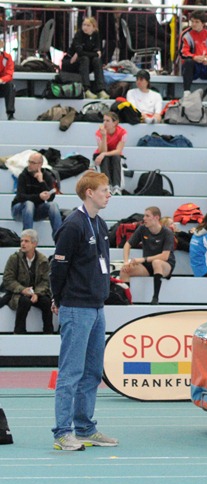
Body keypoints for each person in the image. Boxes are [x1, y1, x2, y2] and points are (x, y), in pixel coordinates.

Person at [50, 170, 117, 451]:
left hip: (97, 307)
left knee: (92, 373)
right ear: (89, 192)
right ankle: (63, 432)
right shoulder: (73, 225)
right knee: (71, 373)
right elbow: (58, 268)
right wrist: (58, 298)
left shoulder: (99, 224)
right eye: (104, 190)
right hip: (76, 308)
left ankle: (85, 427)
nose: (109, 194)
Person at [118, 206, 174, 305]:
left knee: (157, 263)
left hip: (165, 264)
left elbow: (165, 256)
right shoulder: (142, 228)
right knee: (125, 270)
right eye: (144, 216)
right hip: (147, 265)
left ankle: (155, 298)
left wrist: (143, 259)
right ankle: (126, 300)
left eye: (147, 216)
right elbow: (127, 245)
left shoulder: (167, 232)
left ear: (156, 218)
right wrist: (126, 262)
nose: (144, 218)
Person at [3, 229, 53, 334]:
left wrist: (37, 293)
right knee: (24, 301)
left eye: (26, 241)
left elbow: (45, 281)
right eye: (22, 241)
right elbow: (8, 279)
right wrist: (23, 290)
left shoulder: (43, 260)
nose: (22, 244)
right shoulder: (14, 258)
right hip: (17, 294)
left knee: (47, 301)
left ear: (34, 244)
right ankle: (19, 331)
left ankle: (48, 332)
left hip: (36, 293)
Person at [11, 152, 62, 232]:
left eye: (32, 162)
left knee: (53, 205)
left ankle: (59, 236)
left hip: (36, 210)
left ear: (40, 164)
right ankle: (28, 235)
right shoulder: (23, 175)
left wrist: (41, 182)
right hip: (19, 210)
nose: (29, 164)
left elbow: (51, 198)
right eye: (29, 161)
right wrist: (39, 197)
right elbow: (20, 197)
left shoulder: (46, 176)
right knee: (29, 204)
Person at [180, 12, 207, 101]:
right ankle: (186, 92)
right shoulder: (186, 35)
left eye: (197, 22)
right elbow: (183, 53)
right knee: (188, 62)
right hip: (193, 68)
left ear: (203, 23)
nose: (193, 24)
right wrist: (194, 57)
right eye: (192, 21)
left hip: (206, 67)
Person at [71, 17, 107, 99]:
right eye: (84, 25)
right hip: (75, 63)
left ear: (94, 27)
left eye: (88, 25)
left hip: (88, 64)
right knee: (85, 58)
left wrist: (95, 54)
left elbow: (98, 52)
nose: (85, 27)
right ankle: (86, 89)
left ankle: (101, 89)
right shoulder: (79, 35)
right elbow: (80, 53)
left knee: (97, 60)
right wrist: (94, 54)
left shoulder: (96, 35)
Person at [93, 111, 126, 195]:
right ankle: (107, 185)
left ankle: (116, 186)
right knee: (104, 159)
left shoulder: (122, 132)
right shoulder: (99, 133)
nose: (105, 123)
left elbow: (118, 151)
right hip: (101, 155)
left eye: (107, 121)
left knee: (116, 157)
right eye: (104, 120)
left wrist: (104, 154)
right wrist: (104, 136)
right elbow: (102, 151)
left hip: (114, 155)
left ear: (115, 123)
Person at [0, 37, 14, 120]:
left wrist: (1, 80)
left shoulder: (7, 57)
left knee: (10, 86)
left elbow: (9, 74)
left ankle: (10, 114)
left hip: (1, 85)